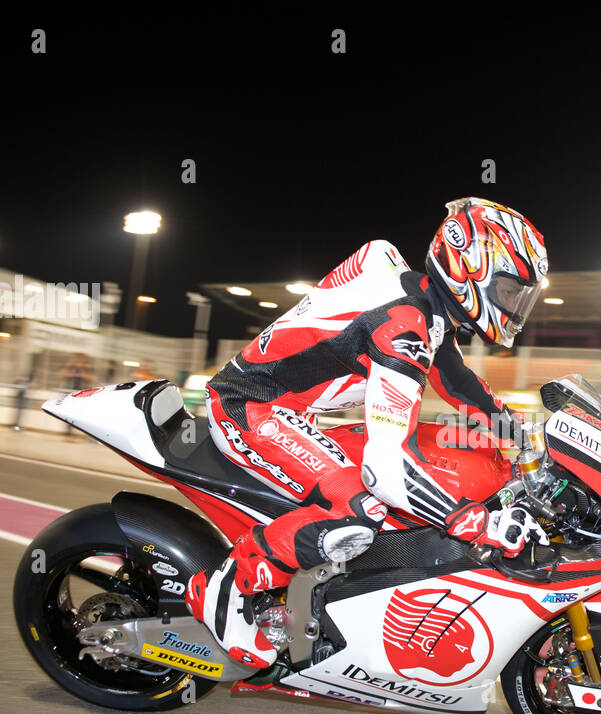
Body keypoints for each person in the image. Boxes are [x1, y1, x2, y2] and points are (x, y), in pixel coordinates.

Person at [185, 198, 551, 668]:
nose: (513, 304)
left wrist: (522, 438)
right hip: (250, 407)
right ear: (469, 266)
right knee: (361, 508)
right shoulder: (404, 326)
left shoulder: (420, 304)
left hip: (292, 411)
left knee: (422, 467)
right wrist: (474, 522)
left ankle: (319, 592)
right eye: (508, 289)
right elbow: (386, 469)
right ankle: (227, 590)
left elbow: (458, 383)